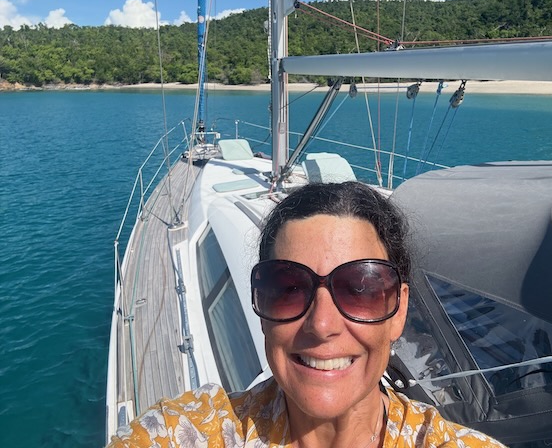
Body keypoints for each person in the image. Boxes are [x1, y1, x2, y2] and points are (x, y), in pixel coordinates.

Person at [108, 181, 507, 448]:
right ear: (262, 310)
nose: (322, 325)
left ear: (398, 311)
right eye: (287, 288)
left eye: (361, 289)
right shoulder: (188, 433)